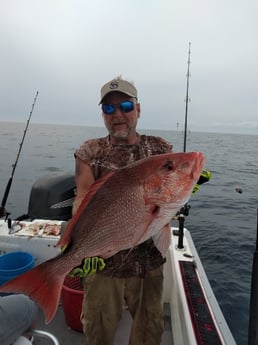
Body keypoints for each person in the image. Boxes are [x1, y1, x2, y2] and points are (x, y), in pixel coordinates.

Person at [73, 76, 173, 345]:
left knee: (149, 331)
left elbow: (168, 194)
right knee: (98, 330)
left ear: (138, 110)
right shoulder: (90, 151)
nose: (117, 114)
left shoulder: (160, 149)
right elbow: (82, 199)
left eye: (125, 105)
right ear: (103, 114)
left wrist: (186, 189)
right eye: (108, 108)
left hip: (148, 262)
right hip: (103, 264)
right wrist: (78, 250)